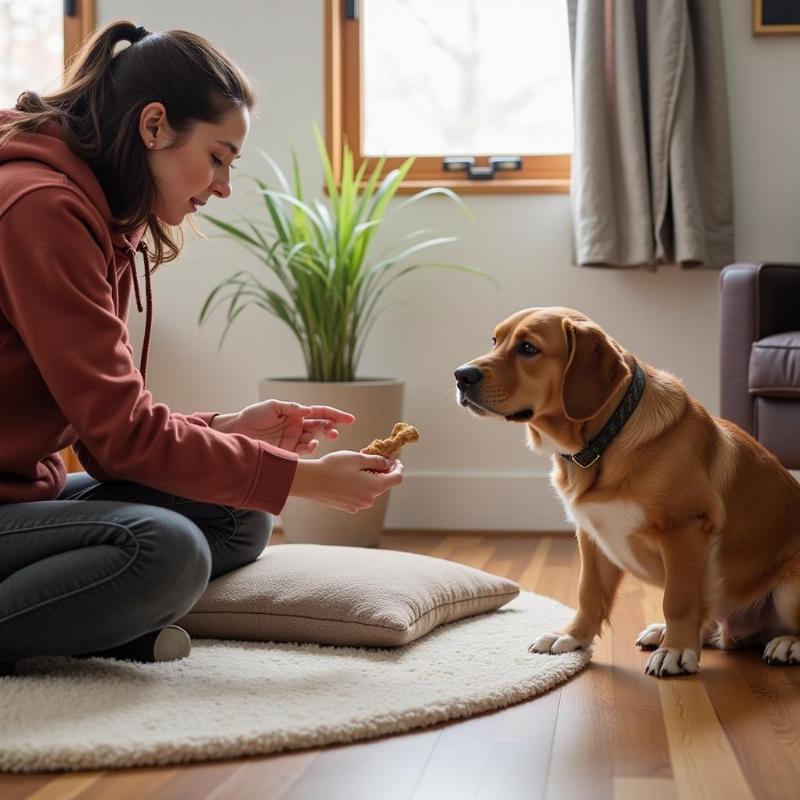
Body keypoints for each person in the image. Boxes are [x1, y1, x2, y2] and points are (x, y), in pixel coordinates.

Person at [0, 21, 403, 675]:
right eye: (217, 157)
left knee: (238, 516)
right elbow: (124, 440)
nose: (222, 187)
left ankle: (74, 624)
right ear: (154, 126)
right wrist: (305, 481)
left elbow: (105, 443)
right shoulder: (41, 208)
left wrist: (231, 430)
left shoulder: (99, 214)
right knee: (167, 550)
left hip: (21, 498)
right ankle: (80, 626)